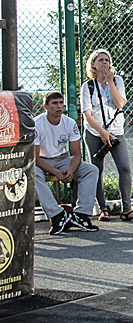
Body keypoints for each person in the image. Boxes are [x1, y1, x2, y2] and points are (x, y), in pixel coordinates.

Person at [81, 49, 133, 222]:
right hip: (95, 132)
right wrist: (101, 132)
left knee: (125, 168)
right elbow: (87, 113)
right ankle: (103, 208)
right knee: (97, 170)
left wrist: (110, 81)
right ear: (93, 64)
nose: (105, 63)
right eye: (101, 60)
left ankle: (127, 209)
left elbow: (120, 103)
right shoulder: (88, 86)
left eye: (107, 60)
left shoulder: (117, 81)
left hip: (116, 132)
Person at [34, 91, 100, 235]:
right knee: (32, 174)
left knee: (91, 170)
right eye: (54, 103)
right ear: (45, 106)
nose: (59, 107)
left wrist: (70, 170)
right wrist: (56, 172)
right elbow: (35, 158)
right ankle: (57, 216)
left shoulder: (69, 122)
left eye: (61, 103)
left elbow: (76, 154)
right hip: (41, 161)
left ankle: (81, 215)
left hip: (62, 159)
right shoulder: (36, 124)